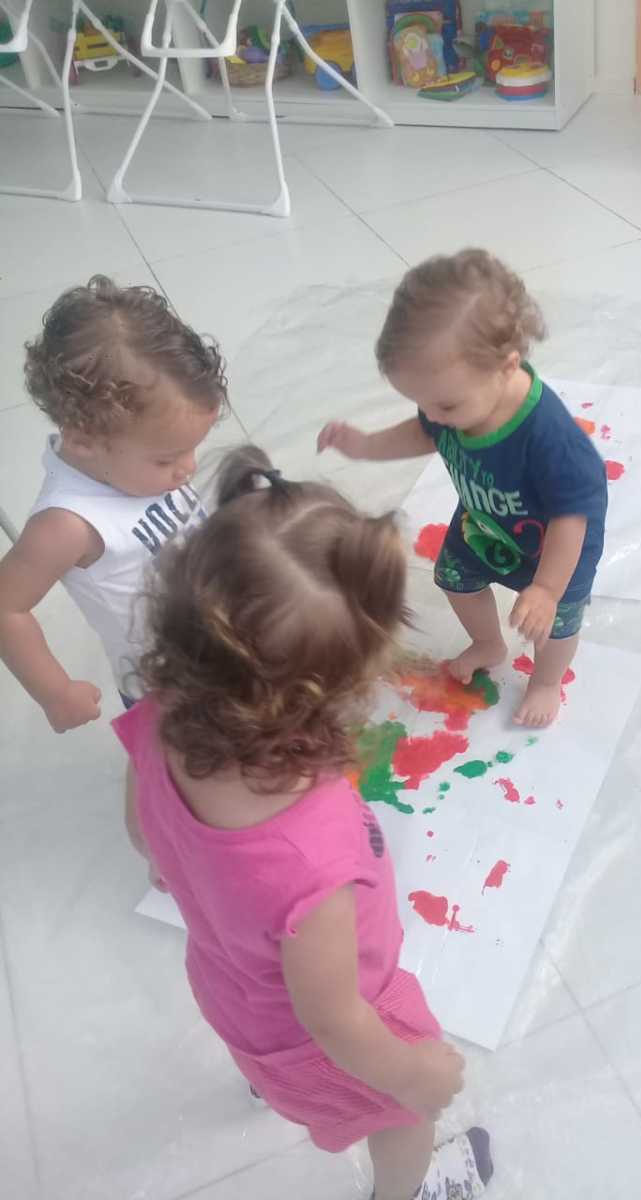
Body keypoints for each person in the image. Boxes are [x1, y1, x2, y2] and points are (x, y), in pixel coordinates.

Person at [114, 446, 493, 1200]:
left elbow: (142, 831)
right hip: (325, 1035)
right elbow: (336, 1020)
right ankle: (406, 1192)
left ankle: (271, 1087)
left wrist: (190, 871)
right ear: (340, 685)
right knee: (402, 1120)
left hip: (229, 986)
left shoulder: (162, 717)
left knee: (288, 1047)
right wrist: (416, 1074)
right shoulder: (310, 859)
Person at [318, 248, 608, 728]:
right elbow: (422, 433)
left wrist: (546, 589)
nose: (434, 416)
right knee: (455, 579)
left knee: (554, 627)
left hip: (557, 547)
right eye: (422, 402)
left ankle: (545, 680)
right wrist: (365, 446)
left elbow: (570, 519)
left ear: (507, 367)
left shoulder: (550, 438)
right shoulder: (449, 399)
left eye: (446, 407)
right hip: (485, 520)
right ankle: (488, 643)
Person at [0, 275, 225, 730]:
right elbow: (6, 607)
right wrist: (56, 693)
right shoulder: (68, 524)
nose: (188, 468)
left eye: (191, 449)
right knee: (188, 761)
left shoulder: (129, 462)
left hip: (218, 636)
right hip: (166, 684)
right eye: (166, 458)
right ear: (83, 441)